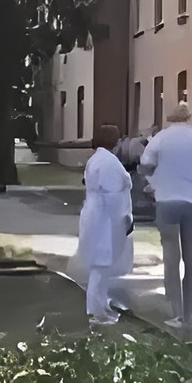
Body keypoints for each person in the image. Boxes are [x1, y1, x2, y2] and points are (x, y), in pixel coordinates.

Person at [139, 102, 192, 330]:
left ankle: (175, 312)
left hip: (166, 201)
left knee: (171, 258)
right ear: (189, 118)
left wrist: (154, 182)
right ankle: (188, 314)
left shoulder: (161, 138)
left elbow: (145, 164)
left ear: (170, 118)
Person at [74, 124, 134, 326]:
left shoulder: (98, 159)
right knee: (101, 264)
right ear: (115, 141)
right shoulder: (108, 162)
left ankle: (100, 306)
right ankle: (96, 310)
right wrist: (123, 219)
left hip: (98, 215)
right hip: (105, 218)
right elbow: (113, 195)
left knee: (101, 264)